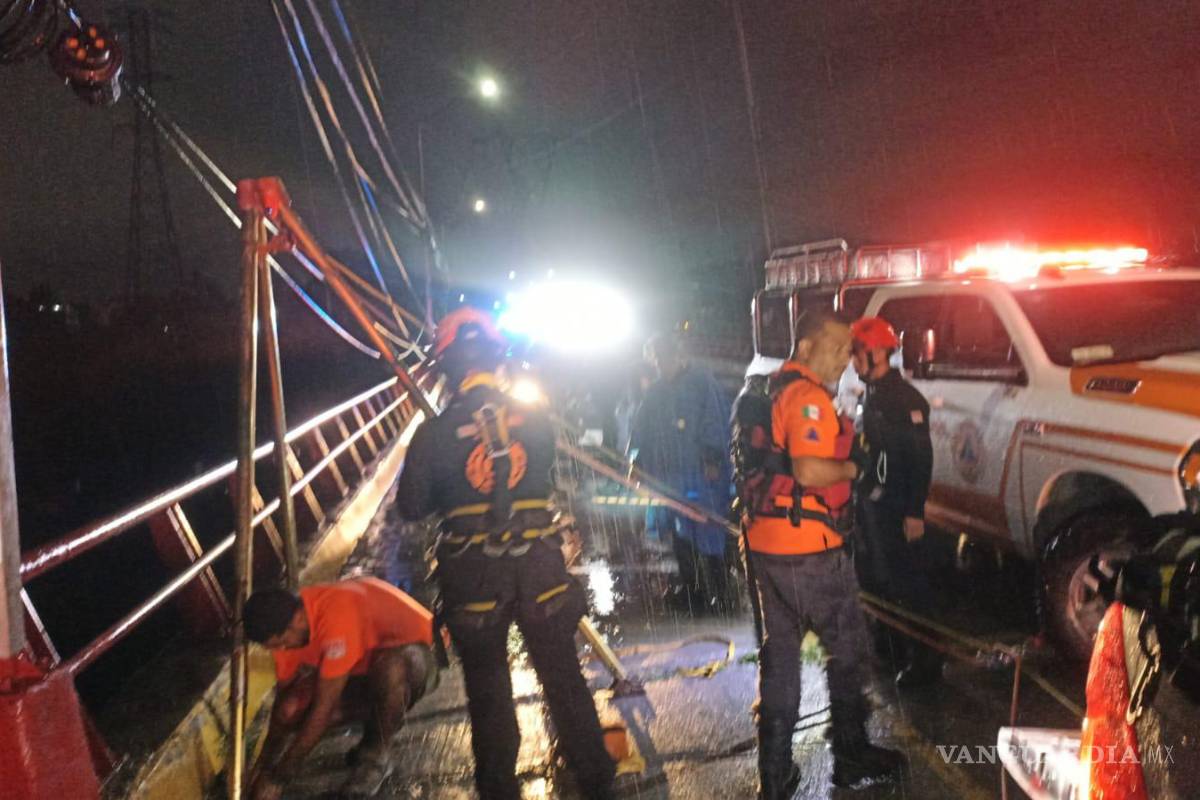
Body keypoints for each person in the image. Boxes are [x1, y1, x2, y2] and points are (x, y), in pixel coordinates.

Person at [394, 307, 615, 800]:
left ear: (446, 363)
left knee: (489, 693)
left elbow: (411, 507)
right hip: (540, 568)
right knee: (563, 679)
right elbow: (543, 475)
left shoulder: (433, 434)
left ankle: (498, 788)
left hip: (474, 579)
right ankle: (598, 778)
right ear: (498, 357)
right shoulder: (535, 419)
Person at [735, 308, 903, 798]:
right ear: (804, 348)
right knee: (848, 651)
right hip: (808, 549)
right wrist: (855, 469)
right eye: (833, 348)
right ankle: (851, 757)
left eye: (846, 350)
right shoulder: (807, 396)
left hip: (765, 544)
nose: (842, 360)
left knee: (781, 660)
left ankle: (774, 774)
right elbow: (809, 471)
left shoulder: (763, 389)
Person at [244, 576, 439, 799]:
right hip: (361, 670)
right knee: (291, 708)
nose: (281, 649)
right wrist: (262, 766)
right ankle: (385, 719)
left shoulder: (335, 614)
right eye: (274, 647)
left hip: (416, 660)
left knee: (390, 668)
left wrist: (280, 776)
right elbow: (282, 708)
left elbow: (323, 709)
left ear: (297, 619)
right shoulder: (286, 633)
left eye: (282, 642)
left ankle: (376, 757)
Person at [850, 316, 941, 687]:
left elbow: (920, 459)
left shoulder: (905, 400)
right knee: (874, 579)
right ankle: (888, 650)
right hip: (872, 504)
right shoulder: (871, 395)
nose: (853, 361)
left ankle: (925, 663)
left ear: (876, 352)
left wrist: (914, 511)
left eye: (857, 353)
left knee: (908, 585)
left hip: (896, 507)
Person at [628, 331, 733, 612]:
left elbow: (714, 422)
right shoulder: (656, 393)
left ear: (678, 355)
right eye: (658, 360)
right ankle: (692, 591)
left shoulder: (702, 383)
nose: (662, 366)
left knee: (709, 533)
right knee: (681, 537)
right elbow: (641, 432)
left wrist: (712, 458)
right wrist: (636, 464)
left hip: (701, 476)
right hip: (672, 478)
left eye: (665, 358)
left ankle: (720, 594)